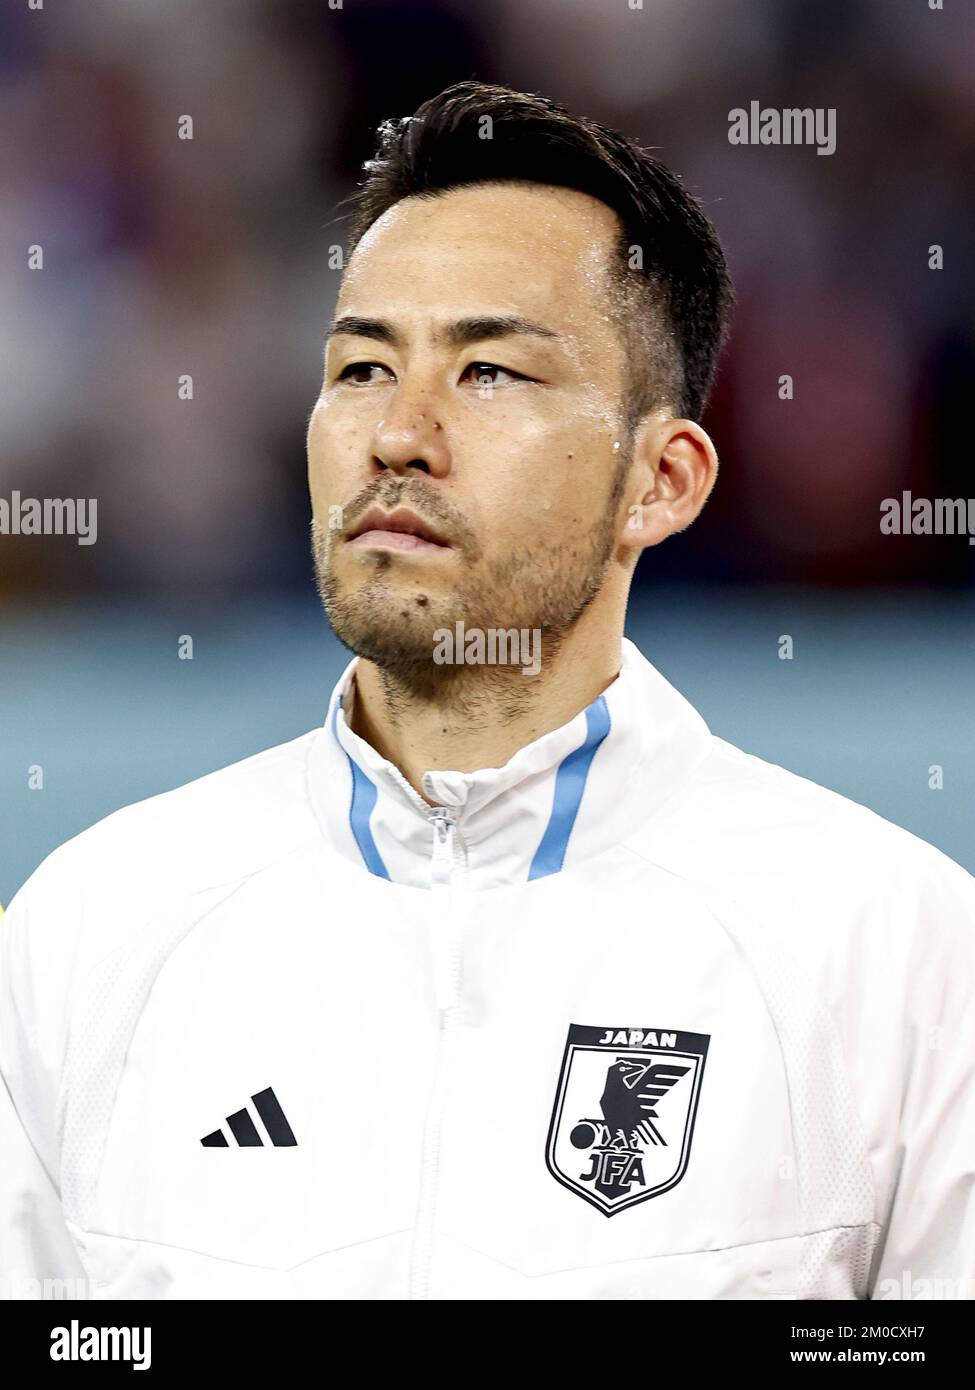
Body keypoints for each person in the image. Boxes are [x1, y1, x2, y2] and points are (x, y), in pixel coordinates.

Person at [1, 81, 972, 1302]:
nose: (397, 433)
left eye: (492, 373)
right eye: (359, 367)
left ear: (661, 481)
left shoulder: (900, 952)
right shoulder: (88, 930)